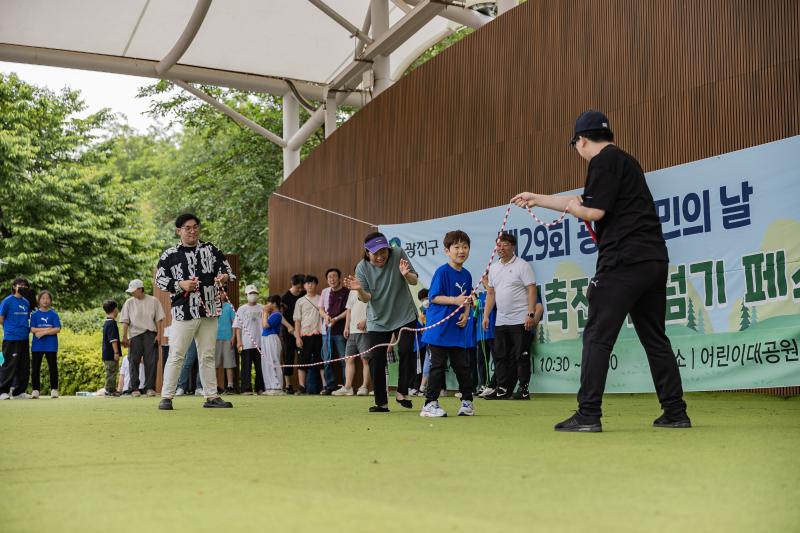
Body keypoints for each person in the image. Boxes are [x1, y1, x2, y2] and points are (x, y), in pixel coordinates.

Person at [512, 109, 690, 431]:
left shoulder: (602, 162)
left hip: (622, 261)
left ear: (580, 140)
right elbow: (582, 199)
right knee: (655, 338)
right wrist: (536, 198)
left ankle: (588, 413)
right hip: (652, 261)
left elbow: (592, 210)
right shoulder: (625, 161)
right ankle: (676, 412)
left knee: (596, 337)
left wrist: (573, 208)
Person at [155, 213, 235, 410]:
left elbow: (229, 272)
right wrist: (180, 284)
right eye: (187, 228)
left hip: (210, 309)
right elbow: (159, 280)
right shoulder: (169, 255)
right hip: (183, 311)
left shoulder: (212, 249)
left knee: (207, 354)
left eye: (195, 227)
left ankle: (212, 397)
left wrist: (224, 278)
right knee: (177, 353)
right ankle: (166, 397)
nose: (192, 231)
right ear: (179, 231)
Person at [343, 232, 419, 413]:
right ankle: (381, 403)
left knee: (407, 351)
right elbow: (366, 298)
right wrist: (359, 289)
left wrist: (406, 274)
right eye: (375, 253)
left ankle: (402, 392)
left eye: (383, 251)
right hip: (378, 320)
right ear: (367, 252)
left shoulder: (398, 253)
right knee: (377, 359)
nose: (380, 256)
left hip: (404, 314)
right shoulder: (362, 267)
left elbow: (414, 281)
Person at [419, 230, 476, 417]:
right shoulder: (442, 272)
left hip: (457, 329)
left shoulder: (467, 275)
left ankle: (467, 402)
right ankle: (430, 404)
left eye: (465, 247)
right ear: (447, 251)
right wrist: (454, 301)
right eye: (457, 247)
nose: (461, 251)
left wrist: (466, 314)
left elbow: (466, 299)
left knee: (462, 366)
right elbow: (433, 297)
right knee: (437, 366)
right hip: (439, 330)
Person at [482, 232, 539, 401]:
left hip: (520, 319)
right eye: (498, 245)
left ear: (513, 247)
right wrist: (486, 315)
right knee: (500, 355)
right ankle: (502, 388)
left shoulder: (523, 265)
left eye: (505, 244)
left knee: (520, 355)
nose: (501, 248)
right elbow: (491, 293)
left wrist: (530, 314)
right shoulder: (493, 268)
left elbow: (532, 289)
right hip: (501, 320)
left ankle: (523, 389)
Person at [119, 279, 166, 397]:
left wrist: (159, 335)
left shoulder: (154, 301)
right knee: (133, 361)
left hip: (150, 333)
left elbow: (159, 319)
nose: (132, 293)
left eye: (134, 291)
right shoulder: (129, 302)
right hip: (134, 335)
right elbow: (125, 321)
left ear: (140, 289)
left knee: (151, 361)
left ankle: (150, 388)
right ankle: (134, 388)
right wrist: (124, 336)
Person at [0, 277, 33, 400]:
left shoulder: (26, 302)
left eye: (25, 285)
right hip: (11, 338)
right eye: (20, 285)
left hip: (24, 338)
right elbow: (1, 318)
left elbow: (27, 319)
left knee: (24, 366)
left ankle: (19, 392)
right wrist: (10, 329)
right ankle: (2, 391)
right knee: (9, 365)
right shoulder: (7, 301)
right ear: (14, 287)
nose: (23, 287)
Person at [337, 283, 372, 396]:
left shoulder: (371, 288)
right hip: (352, 331)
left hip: (365, 331)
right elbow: (349, 310)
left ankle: (364, 387)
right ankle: (348, 387)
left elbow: (377, 309)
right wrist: (346, 326)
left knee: (365, 359)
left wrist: (366, 321)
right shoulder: (352, 291)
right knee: (349, 359)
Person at [293, 275, 325, 394]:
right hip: (304, 335)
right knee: (302, 361)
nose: (310, 285)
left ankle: (325, 386)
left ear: (316, 284)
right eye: (307, 283)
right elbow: (297, 320)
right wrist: (297, 337)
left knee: (321, 360)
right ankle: (301, 386)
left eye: (312, 283)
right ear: (304, 286)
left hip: (319, 334)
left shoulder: (321, 298)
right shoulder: (300, 301)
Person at [319, 268, 349, 395]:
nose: (332, 279)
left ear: (339, 278)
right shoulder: (325, 292)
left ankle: (346, 386)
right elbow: (320, 308)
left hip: (341, 330)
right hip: (327, 330)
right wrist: (325, 316)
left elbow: (349, 310)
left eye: (334, 276)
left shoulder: (347, 292)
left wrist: (336, 318)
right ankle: (330, 386)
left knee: (344, 359)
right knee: (327, 359)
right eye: (329, 277)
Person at [30, 290, 61, 399]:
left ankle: (54, 389)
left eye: (47, 298)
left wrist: (43, 332)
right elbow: (32, 329)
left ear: (50, 301)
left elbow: (57, 329)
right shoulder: (34, 315)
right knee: (35, 368)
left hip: (51, 345)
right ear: (39, 300)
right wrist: (48, 328)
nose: (45, 300)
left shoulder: (54, 314)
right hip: (37, 346)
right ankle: (35, 390)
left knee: (53, 368)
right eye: (43, 298)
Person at [234, 285, 264, 396]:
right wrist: (239, 341)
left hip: (260, 343)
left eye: (255, 293)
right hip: (246, 343)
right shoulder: (242, 309)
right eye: (250, 293)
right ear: (246, 295)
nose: (253, 295)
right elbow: (237, 326)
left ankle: (260, 388)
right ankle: (246, 389)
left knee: (260, 367)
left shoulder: (262, 307)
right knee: (246, 367)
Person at [280, 274, 305, 394]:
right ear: (292, 284)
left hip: (301, 331)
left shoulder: (304, 295)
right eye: (298, 287)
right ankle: (288, 385)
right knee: (288, 358)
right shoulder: (284, 298)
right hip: (288, 332)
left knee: (302, 358)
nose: (300, 290)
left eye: (302, 287)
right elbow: (280, 316)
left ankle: (302, 385)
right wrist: (290, 327)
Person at [260, 295, 285, 395]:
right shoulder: (270, 314)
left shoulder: (277, 315)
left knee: (273, 360)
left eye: (269, 303)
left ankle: (277, 386)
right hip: (266, 338)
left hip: (272, 338)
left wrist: (265, 312)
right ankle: (270, 386)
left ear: (274, 304)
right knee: (266, 362)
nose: (266, 305)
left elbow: (266, 325)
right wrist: (265, 313)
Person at [215, 290, 237, 394]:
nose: (221, 295)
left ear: (226, 294)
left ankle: (230, 386)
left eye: (222, 292)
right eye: (218, 292)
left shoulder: (229, 306)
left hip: (228, 337)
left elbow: (234, 322)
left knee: (229, 362)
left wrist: (234, 336)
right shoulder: (212, 306)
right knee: (214, 363)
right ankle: (214, 386)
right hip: (214, 338)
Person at [101, 300, 122, 397]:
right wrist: (116, 352)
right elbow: (113, 340)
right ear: (114, 310)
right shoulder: (111, 323)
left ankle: (112, 388)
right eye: (117, 308)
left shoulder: (107, 322)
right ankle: (109, 390)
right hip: (111, 354)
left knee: (112, 371)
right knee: (111, 372)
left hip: (107, 353)